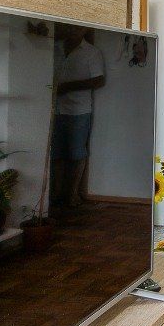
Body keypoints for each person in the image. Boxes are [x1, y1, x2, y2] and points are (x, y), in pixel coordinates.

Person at [51, 25, 105, 210]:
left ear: (85, 31)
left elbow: (99, 80)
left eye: (79, 28)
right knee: (55, 153)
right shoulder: (55, 46)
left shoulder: (92, 52)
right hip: (55, 108)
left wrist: (68, 87)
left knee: (77, 153)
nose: (74, 30)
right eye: (72, 27)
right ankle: (55, 195)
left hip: (79, 110)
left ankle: (73, 195)